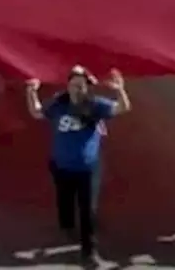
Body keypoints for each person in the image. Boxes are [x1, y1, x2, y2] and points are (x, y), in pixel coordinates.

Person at [26, 66, 130, 267]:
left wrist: (119, 90)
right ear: (68, 85)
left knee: (87, 210)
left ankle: (89, 252)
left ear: (87, 88)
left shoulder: (95, 106)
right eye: (74, 85)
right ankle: (66, 226)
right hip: (62, 166)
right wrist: (31, 92)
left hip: (87, 168)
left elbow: (122, 108)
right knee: (64, 200)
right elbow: (37, 113)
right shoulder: (58, 104)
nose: (77, 89)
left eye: (81, 86)